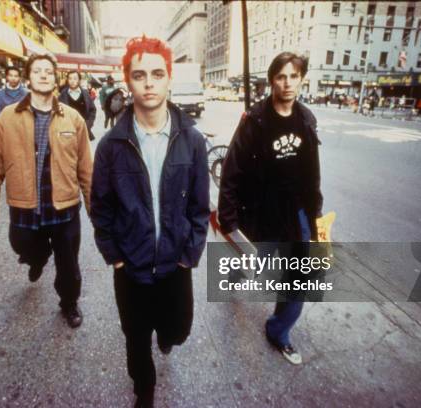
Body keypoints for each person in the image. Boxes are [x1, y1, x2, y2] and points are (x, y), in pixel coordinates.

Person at [90, 36, 210, 407]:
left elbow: (201, 208)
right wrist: (115, 256)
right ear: (128, 81)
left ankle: (168, 333)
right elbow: (101, 206)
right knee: (135, 337)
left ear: (169, 79)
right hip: (132, 265)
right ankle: (144, 387)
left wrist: (189, 254)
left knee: (177, 330)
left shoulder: (191, 140)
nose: (149, 82)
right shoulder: (111, 145)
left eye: (157, 74)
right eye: (139, 75)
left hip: (176, 262)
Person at [218, 51, 324, 366]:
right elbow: (232, 168)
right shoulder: (255, 120)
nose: (288, 83)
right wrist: (228, 217)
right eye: (281, 76)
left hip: (296, 214)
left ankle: (279, 331)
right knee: (251, 259)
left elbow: (311, 171)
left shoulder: (306, 119)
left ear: (302, 79)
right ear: (271, 80)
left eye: (294, 76)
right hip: (261, 212)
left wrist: (315, 211)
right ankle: (235, 274)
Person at [0, 53, 93, 329]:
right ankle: (38, 258)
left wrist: (96, 208)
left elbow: (87, 168)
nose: (43, 75)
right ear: (29, 78)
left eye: (48, 71)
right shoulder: (7, 117)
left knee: (69, 266)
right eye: (37, 71)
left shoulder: (72, 118)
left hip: (63, 209)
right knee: (22, 245)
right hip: (25, 207)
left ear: (55, 78)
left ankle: (69, 303)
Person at [59, 70, 97, 141]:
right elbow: (58, 112)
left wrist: (88, 124)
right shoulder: (62, 95)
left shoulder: (85, 94)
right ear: (67, 80)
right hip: (67, 132)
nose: (72, 81)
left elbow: (93, 110)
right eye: (70, 78)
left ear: (79, 80)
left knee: (83, 151)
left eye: (75, 78)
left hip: (83, 130)